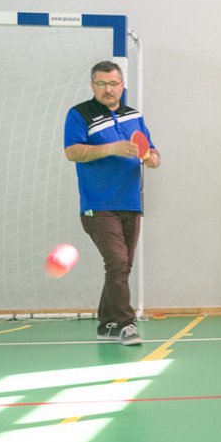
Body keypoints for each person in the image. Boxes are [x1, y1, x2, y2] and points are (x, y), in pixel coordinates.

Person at [63, 61, 160, 346]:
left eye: (113, 83)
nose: (108, 89)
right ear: (92, 85)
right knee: (117, 261)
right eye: (102, 83)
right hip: (98, 205)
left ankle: (107, 324)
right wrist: (112, 148)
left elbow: (152, 151)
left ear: (122, 85)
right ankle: (126, 324)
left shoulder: (134, 116)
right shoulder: (79, 114)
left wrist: (152, 159)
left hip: (131, 203)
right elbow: (72, 152)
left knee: (123, 265)